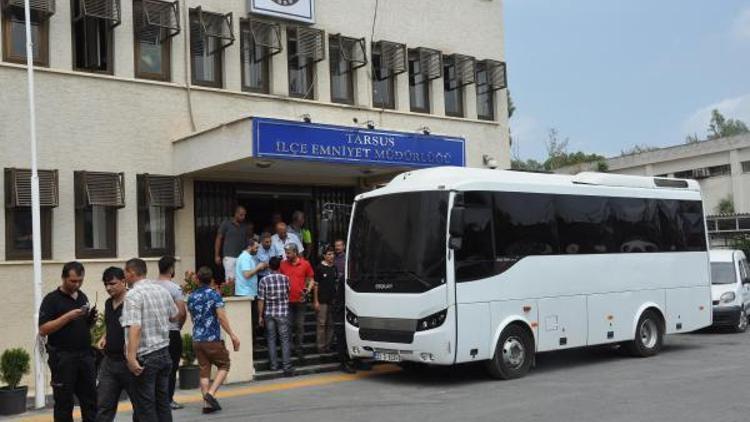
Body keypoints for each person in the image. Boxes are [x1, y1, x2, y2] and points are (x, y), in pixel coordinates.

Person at [39, 261, 98, 422]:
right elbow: (43, 329)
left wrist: (91, 320)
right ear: (63, 278)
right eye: (73, 281)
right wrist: (68, 316)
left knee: (90, 399)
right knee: (64, 402)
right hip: (62, 357)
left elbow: (83, 325)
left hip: (85, 356)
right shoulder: (51, 300)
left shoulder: (82, 296)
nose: (77, 284)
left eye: (80, 280)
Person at [121, 258, 178, 422]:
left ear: (131, 273)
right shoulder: (161, 291)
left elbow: (135, 327)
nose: (124, 276)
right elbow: (174, 316)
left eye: (125, 273)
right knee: (163, 404)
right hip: (164, 353)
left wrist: (131, 357)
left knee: (146, 406)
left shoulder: (133, 295)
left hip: (146, 356)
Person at [187, 267, 241, 414]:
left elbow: (192, 318)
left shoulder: (191, 297)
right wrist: (232, 335)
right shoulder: (214, 295)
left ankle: (206, 404)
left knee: (204, 370)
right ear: (211, 280)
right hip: (212, 339)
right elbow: (222, 318)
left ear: (197, 280)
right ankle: (210, 394)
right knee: (224, 364)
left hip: (197, 339)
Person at [96, 267, 137, 422]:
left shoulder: (132, 301)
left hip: (129, 363)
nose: (108, 288)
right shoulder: (108, 303)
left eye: (112, 284)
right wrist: (105, 337)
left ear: (123, 281)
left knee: (139, 406)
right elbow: (112, 324)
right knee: (103, 406)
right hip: (109, 362)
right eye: (106, 284)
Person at [155, 256, 188, 410]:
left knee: (155, 367)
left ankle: (156, 399)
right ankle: (168, 400)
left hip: (155, 333)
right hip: (171, 332)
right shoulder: (174, 288)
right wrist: (178, 327)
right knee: (171, 366)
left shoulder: (152, 286)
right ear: (171, 269)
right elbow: (182, 312)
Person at [257, 257, 293, 376]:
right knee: (284, 339)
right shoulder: (286, 279)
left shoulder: (264, 280)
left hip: (269, 313)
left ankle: (273, 366)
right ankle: (286, 366)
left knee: (271, 339)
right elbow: (288, 293)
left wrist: (260, 316)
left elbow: (261, 299)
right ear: (279, 266)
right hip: (282, 312)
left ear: (269, 266)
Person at [279, 243, 314, 362]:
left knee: (299, 326)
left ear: (295, 252)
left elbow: (311, 279)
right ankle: (287, 350)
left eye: (288, 253)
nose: (286, 255)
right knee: (287, 327)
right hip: (286, 301)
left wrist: (308, 290)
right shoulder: (283, 265)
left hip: (300, 301)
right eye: (286, 252)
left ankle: (298, 349)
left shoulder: (305, 264)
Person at [235, 238, 268, 342]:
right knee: (251, 321)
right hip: (245, 293)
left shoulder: (248, 257)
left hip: (249, 292)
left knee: (253, 321)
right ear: (249, 247)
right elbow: (247, 274)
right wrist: (258, 267)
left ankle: (253, 343)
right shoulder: (245, 258)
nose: (257, 249)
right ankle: (251, 344)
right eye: (256, 247)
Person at [214, 205, 249, 283]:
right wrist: (217, 255)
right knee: (230, 280)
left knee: (241, 280)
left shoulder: (244, 226)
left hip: (242, 257)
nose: (243, 217)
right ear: (236, 214)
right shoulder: (226, 223)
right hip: (229, 256)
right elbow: (218, 238)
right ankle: (231, 295)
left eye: (244, 215)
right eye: (241, 215)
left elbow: (247, 242)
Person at [313, 247, 337, 353]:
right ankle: (321, 346)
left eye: (332, 254)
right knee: (322, 323)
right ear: (324, 256)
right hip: (322, 300)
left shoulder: (334, 268)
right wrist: (316, 300)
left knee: (331, 323)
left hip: (332, 300)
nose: (331, 256)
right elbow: (316, 285)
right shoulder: (319, 268)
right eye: (329, 254)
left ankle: (328, 345)